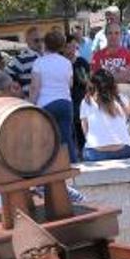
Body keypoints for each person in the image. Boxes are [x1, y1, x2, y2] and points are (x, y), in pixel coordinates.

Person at [30, 29, 79, 164]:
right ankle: (72, 166)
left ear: (45, 44)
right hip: (65, 102)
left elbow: (35, 87)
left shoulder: (39, 62)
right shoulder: (67, 63)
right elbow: (70, 84)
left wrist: (31, 105)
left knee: (47, 141)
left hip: (46, 104)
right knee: (66, 139)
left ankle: (48, 171)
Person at [79, 69, 130, 162]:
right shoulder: (122, 99)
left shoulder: (86, 102)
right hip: (122, 151)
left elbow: (85, 131)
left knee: (84, 150)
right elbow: (125, 120)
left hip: (96, 153)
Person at [89, 20, 130, 91]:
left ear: (121, 35)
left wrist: (105, 78)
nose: (113, 36)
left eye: (116, 33)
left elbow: (129, 77)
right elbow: (94, 78)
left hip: (125, 93)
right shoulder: (97, 56)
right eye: (110, 33)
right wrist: (119, 75)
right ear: (105, 35)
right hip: (104, 93)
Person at [8, 26, 43, 92]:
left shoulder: (47, 56)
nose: (40, 43)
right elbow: (6, 76)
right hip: (29, 99)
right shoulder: (21, 59)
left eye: (42, 40)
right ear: (27, 41)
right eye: (36, 40)